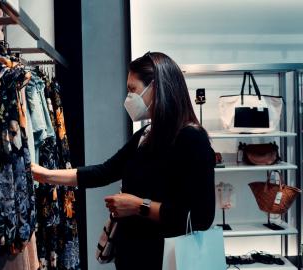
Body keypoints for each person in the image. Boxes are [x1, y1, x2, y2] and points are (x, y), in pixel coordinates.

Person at [31, 52, 216, 270]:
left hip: (167, 260)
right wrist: (44, 174)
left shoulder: (191, 138)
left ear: (155, 87)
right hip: (133, 257)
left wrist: (139, 206)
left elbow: (201, 217)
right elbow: (105, 171)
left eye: (132, 89)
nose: (128, 97)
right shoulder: (147, 134)